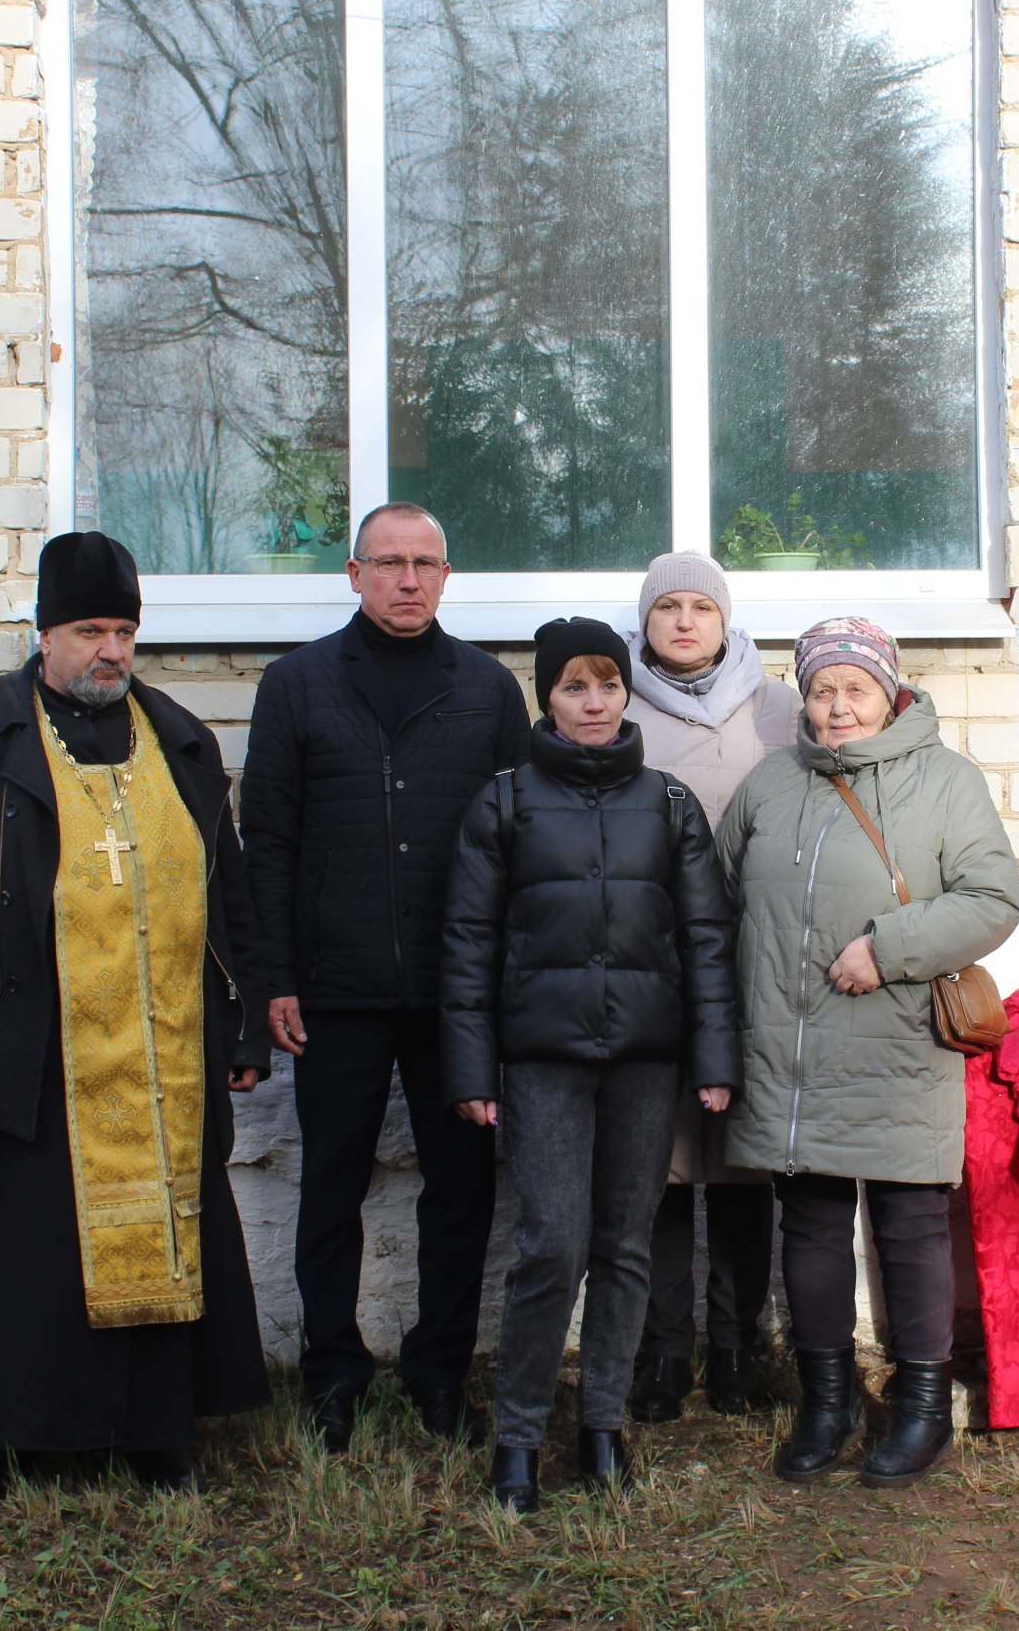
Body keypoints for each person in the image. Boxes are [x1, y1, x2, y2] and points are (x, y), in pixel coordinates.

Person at [0, 531, 271, 1509]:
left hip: (161, 1048)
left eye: (124, 632)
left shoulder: (178, 738)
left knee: (165, 1234)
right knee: (21, 1254)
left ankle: (158, 1434)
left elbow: (229, 893)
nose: (111, 651)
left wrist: (242, 1022)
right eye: (90, 630)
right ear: (44, 633)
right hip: (27, 1047)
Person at [237, 503, 530, 1453]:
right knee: (331, 1186)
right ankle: (333, 1374)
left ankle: (441, 1372)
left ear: (446, 576)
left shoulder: (487, 689)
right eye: (390, 562)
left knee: (461, 1190)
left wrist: (503, 980)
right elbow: (266, 840)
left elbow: (520, 843)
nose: (408, 580)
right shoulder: (297, 683)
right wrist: (275, 975)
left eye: (425, 564)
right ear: (355, 573)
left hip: (457, 992)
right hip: (335, 986)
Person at [439, 618, 740, 1512]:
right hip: (544, 1064)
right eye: (575, 686)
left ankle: (604, 1427)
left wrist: (714, 1056)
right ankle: (520, 1439)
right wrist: (471, 1071)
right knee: (551, 1245)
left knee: (624, 1244)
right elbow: (467, 943)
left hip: (646, 1060)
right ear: (548, 698)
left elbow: (705, 938)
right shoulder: (505, 802)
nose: (595, 702)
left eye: (608, 683)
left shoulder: (670, 804)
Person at [717, 618, 1019, 1488]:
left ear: (890, 693)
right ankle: (828, 1399)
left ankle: (923, 1407)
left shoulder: (946, 780)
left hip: (898, 1046)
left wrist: (888, 949)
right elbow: (720, 893)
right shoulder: (773, 782)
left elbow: (993, 898)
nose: (839, 705)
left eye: (856, 687)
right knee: (810, 1222)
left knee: (910, 1224)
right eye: (822, 689)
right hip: (791, 1053)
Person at [619, 553, 801, 1424]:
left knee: (739, 1161)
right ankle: (662, 1350)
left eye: (702, 606)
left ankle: (735, 1346)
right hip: (649, 962)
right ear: (645, 620)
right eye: (669, 607)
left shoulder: (778, 707)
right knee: (658, 1159)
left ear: (726, 620)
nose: (685, 621)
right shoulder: (615, 701)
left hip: (752, 961)